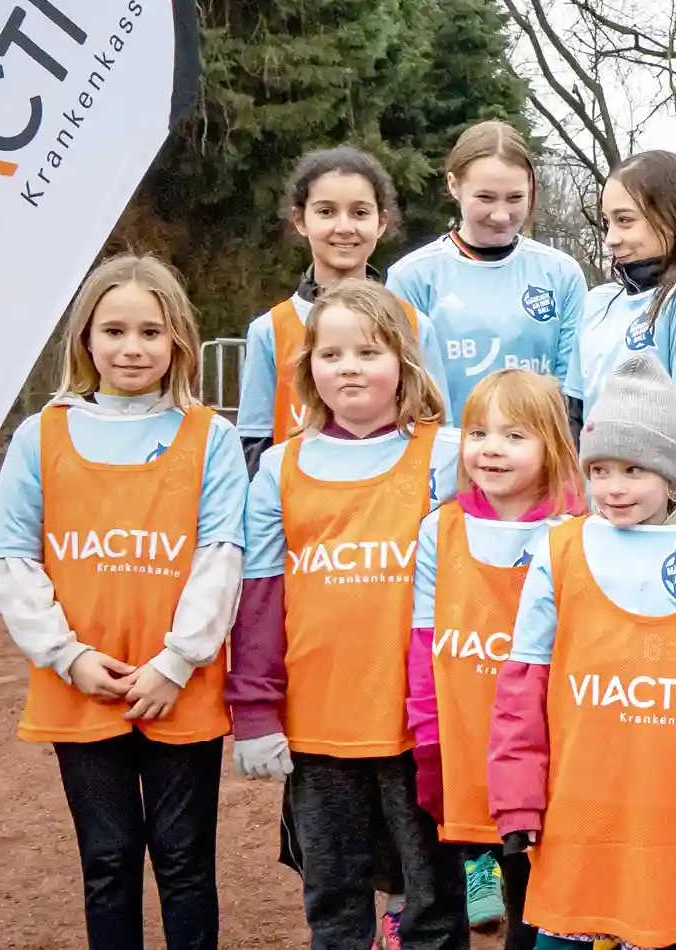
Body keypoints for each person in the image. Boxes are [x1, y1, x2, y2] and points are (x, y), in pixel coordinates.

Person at [0, 256, 247, 950]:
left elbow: (222, 557)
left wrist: (176, 662)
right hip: (83, 685)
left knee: (185, 861)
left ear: (178, 343)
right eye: (114, 331)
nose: (132, 348)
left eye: (150, 332)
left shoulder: (211, 438)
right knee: (107, 861)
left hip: (179, 686)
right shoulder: (39, 435)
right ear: (85, 340)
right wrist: (66, 655)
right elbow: (12, 559)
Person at [231, 281, 472, 950]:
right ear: (308, 368)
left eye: (368, 351)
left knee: (432, 900)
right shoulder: (280, 466)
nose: (350, 367)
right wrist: (253, 709)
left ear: (403, 360)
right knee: (333, 903)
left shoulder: (446, 456)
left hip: (418, 726)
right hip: (319, 726)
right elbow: (259, 596)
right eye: (331, 354)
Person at [488, 354, 676, 950]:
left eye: (635, 468)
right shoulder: (560, 549)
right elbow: (522, 686)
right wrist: (518, 800)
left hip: (673, 812)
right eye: (600, 468)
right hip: (579, 808)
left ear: (672, 473)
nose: (615, 487)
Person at [406, 369, 584, 942]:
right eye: (479, 432)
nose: (491, 449)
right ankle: (483, 879)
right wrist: (429, 739)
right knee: (493, 866)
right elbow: (425, 645)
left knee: (542, 898)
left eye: (515, 435)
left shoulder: (575, 533)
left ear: (551, 444)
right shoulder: (440, 530)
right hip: (466, 743)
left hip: (547, 752)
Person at [391, 122, 592, 421]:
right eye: (485, 198)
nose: (501, 215)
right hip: (444, 459)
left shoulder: (562, 274)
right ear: (453, 185)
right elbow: (403, 388)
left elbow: (573, 390)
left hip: (538, 458)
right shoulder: (412, 277)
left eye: (515, 198)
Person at [241, 148, 430, 454]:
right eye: (326, 211)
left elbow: (433, 428)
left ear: (381, 222)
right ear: (300, 220)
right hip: (301, 498)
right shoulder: (270, 330)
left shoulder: (413, 324)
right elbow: (255, 440)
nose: (344, 227)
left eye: (360, 212)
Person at [571, 150, 676, 488]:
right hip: (597, 506)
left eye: (625, 220)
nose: (611, 238)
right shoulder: (597, 302)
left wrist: (647, 500)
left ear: (671, 219)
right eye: (607, 222)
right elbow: (573, 415)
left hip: (667, 514)